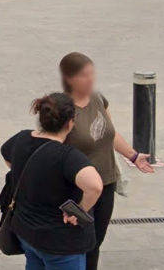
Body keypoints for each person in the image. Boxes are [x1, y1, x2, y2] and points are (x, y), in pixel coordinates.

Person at [59, 52, 154, 270]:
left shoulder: (98, 98)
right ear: (69, 78)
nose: (91, 79)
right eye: (84, 75)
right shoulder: (62, 107)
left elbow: (110, 133)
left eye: (92, 73)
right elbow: (53, 145)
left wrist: (133, 155)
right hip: (78, 188)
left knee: (95, 242)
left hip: (106, 183)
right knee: (80, 242)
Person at [1, 92, 104, 270]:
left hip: (27, 234)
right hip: (60, 244)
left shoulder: (21, 138)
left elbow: (6, 154)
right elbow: (94, 186)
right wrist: (80, 211)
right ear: (70, 122)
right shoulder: (66, 156)